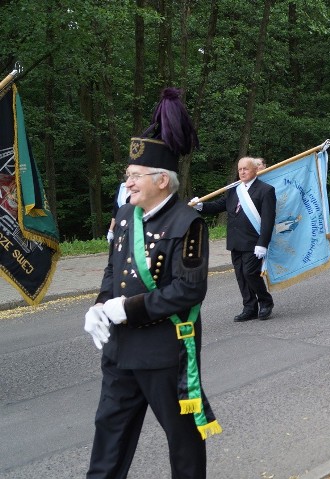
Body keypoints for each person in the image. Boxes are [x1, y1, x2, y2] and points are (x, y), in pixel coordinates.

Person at [83, 88, 219, 479]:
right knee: (108, 437)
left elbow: (189, 290)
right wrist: (100, 306)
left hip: (164, 354)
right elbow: (114, 270)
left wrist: (124, 309)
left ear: (162, 180)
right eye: (128, 176)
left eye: (135, 176)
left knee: (184, 442)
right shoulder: (126, 216)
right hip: (120, 351)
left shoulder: (188, 223)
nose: (128, 183)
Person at [193, 156, 276, 322]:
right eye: (240, 169)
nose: (242, 172)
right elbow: (218, 205)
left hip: (253, 242)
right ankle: (249, 307)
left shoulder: (265, 190)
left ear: (255, 170)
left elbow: (268, 220)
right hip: (235, 241)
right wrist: (201, 206)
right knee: (241, 276)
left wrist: (263, 244)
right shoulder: (234, 190)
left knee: (250, 273)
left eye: (246, 168)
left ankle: (265, 301)